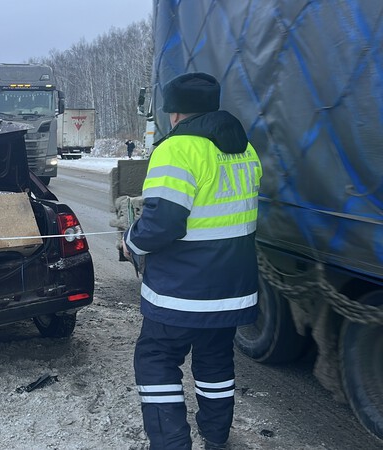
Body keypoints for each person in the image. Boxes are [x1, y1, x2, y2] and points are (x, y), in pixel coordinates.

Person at [121, 72, 262, 450]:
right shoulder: (243, 148)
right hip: (232, 288)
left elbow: (162, 223)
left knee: (156, 359)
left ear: (174, 112)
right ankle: (216, 437)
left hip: (182, 289)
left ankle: (171, 443)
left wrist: (130, 241)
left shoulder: (177, 149)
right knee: (215, 362)